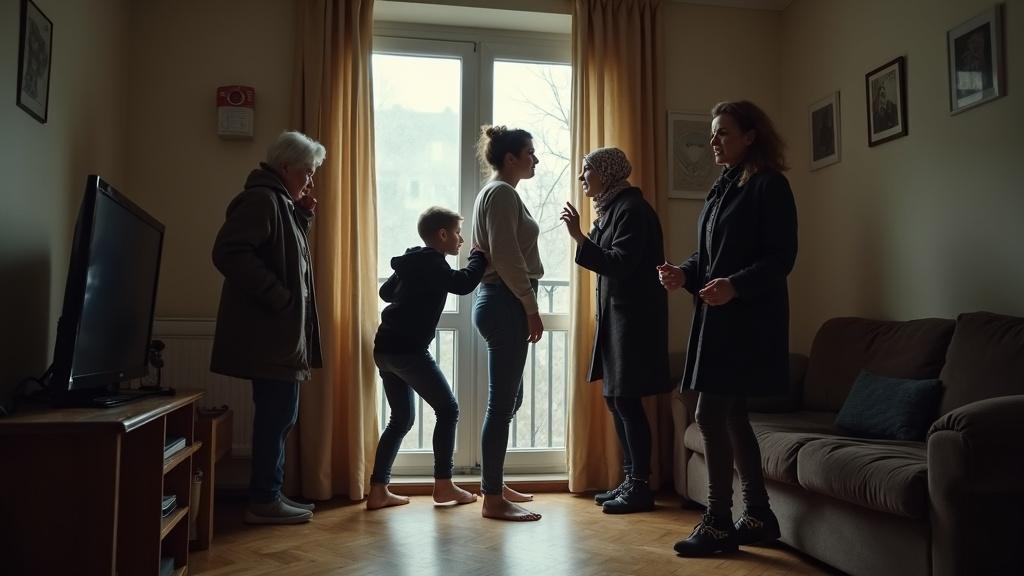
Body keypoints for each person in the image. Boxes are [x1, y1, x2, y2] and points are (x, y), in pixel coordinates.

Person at [658, 101, 797, 556]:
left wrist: (735, 286)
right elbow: (710, 258)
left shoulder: (770, 185)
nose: (713, 141)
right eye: (713, 133)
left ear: (750, 136)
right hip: (718, 318)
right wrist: (683, 273)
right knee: (732, 416)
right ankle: (758, 515)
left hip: (747, 322)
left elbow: (780, 259)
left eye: (723, 133)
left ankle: (718, 522)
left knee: (709, 414)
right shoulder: (722, 187)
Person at [211, 130, 326, 525]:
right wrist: (278, 296)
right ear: (286, 167)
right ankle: (264, 500)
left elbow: (281, 253)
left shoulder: (280, 203)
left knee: (279, 417)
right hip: (272, 335)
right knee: (276, 418)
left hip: (279, 335)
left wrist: (303, 216)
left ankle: (269, 494)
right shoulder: (262, 199)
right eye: (307, 172)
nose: (309, 181)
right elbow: (228, 252)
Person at [559, 147, 670, 514]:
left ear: (606, 173)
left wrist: (580, 238)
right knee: (615, 398)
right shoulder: (613, 209)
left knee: (626, 399)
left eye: (587, 170)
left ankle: (640, 486)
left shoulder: (631, 210)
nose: (582, 178)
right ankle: (631, 478)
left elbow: (620, 264)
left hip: (634, 321)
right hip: (619, 319)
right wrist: (584, 237)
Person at [367, 206, 486, 510]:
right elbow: (463, 283)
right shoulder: (433, 262)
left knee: (401, 419)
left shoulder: (415, 261)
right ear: (442, 234)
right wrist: (479, 257)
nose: (461, 239)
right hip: (408, 350)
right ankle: (443, 485)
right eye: (457, 233)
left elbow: (386, 293)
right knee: (448, 409)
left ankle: (378, 491)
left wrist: (404, 271)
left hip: (385, 349)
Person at [471, 125, 544, 522]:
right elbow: (506, 256)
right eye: (530, 152)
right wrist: (530, 306)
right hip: (505, 301)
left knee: (509, 400)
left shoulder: (499, 193)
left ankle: (494, 482)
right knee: (501, 405)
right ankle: (492, 498)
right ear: (510, 158)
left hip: (501, 300)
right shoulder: (501, 193)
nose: (536, 159)